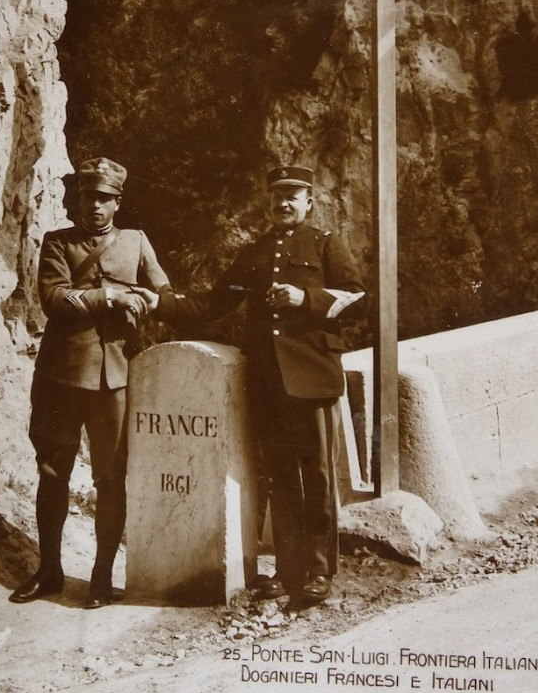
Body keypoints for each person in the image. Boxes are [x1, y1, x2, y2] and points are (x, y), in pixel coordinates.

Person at [136, 165, 366, 605]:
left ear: (309, 201)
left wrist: (307, 299)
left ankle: (319, 571)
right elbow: (210, 304)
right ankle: (287, 568)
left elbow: (356, 297)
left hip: (313, 376)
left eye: (293, 195)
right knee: (279, 477)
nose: (283, 202)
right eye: (277, 195)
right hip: (268, 382)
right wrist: (159, 302)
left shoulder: (326, 244)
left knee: (315, 475)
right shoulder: (254, 253)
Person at [9, 157, 171, 608]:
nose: (94, 206)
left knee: (111, 477)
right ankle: (49, 570)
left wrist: (145, 299)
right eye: (88, 197)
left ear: (118, 203)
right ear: (77, 198)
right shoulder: (57, 242)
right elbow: (55, 299)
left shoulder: (136, 242)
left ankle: (101, 577)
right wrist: (112, 296)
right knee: (52, 473)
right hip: (61, 377)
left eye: (104, 199)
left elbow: (163, 290)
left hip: (113, 380)